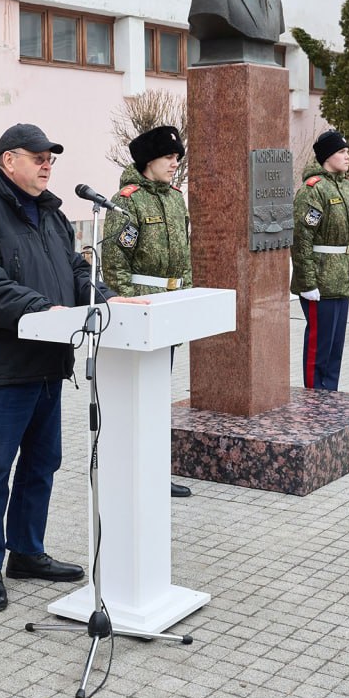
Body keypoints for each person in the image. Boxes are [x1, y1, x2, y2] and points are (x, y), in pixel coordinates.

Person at [0, 122, 131, 613]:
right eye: (38, 157)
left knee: (41, 464)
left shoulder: (52, 215)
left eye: (50, 157)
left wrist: (107, 300)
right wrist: (38, 307)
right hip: (3, 368)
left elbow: (76, 271)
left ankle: (26, 552)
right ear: (9, 161)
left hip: (49, 364)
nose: (48, 164)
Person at [101, 124, 195, 499]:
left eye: (177, 158)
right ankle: (130, 469)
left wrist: (186, 297)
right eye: (169, 158)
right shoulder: (127, 201)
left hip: (171, 306)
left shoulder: (174, 198)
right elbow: (115, 261)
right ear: (148, 161)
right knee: (137, 396)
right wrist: (128, 308)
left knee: (159, 395)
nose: (175, 164)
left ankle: (156, 469)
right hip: (141, 306)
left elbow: (184, 254)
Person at [290, 130, 349, 391]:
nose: (347, 156)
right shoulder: (313, 189)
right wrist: (307, 282)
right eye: (342, 152)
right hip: (320, 278)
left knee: (335, 347)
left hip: (341, 276)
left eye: (347, 151)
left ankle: (330, 396)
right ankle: (314, 398)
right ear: (328, 156)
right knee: (319, 346)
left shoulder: (347, 187)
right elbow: (302, 237)